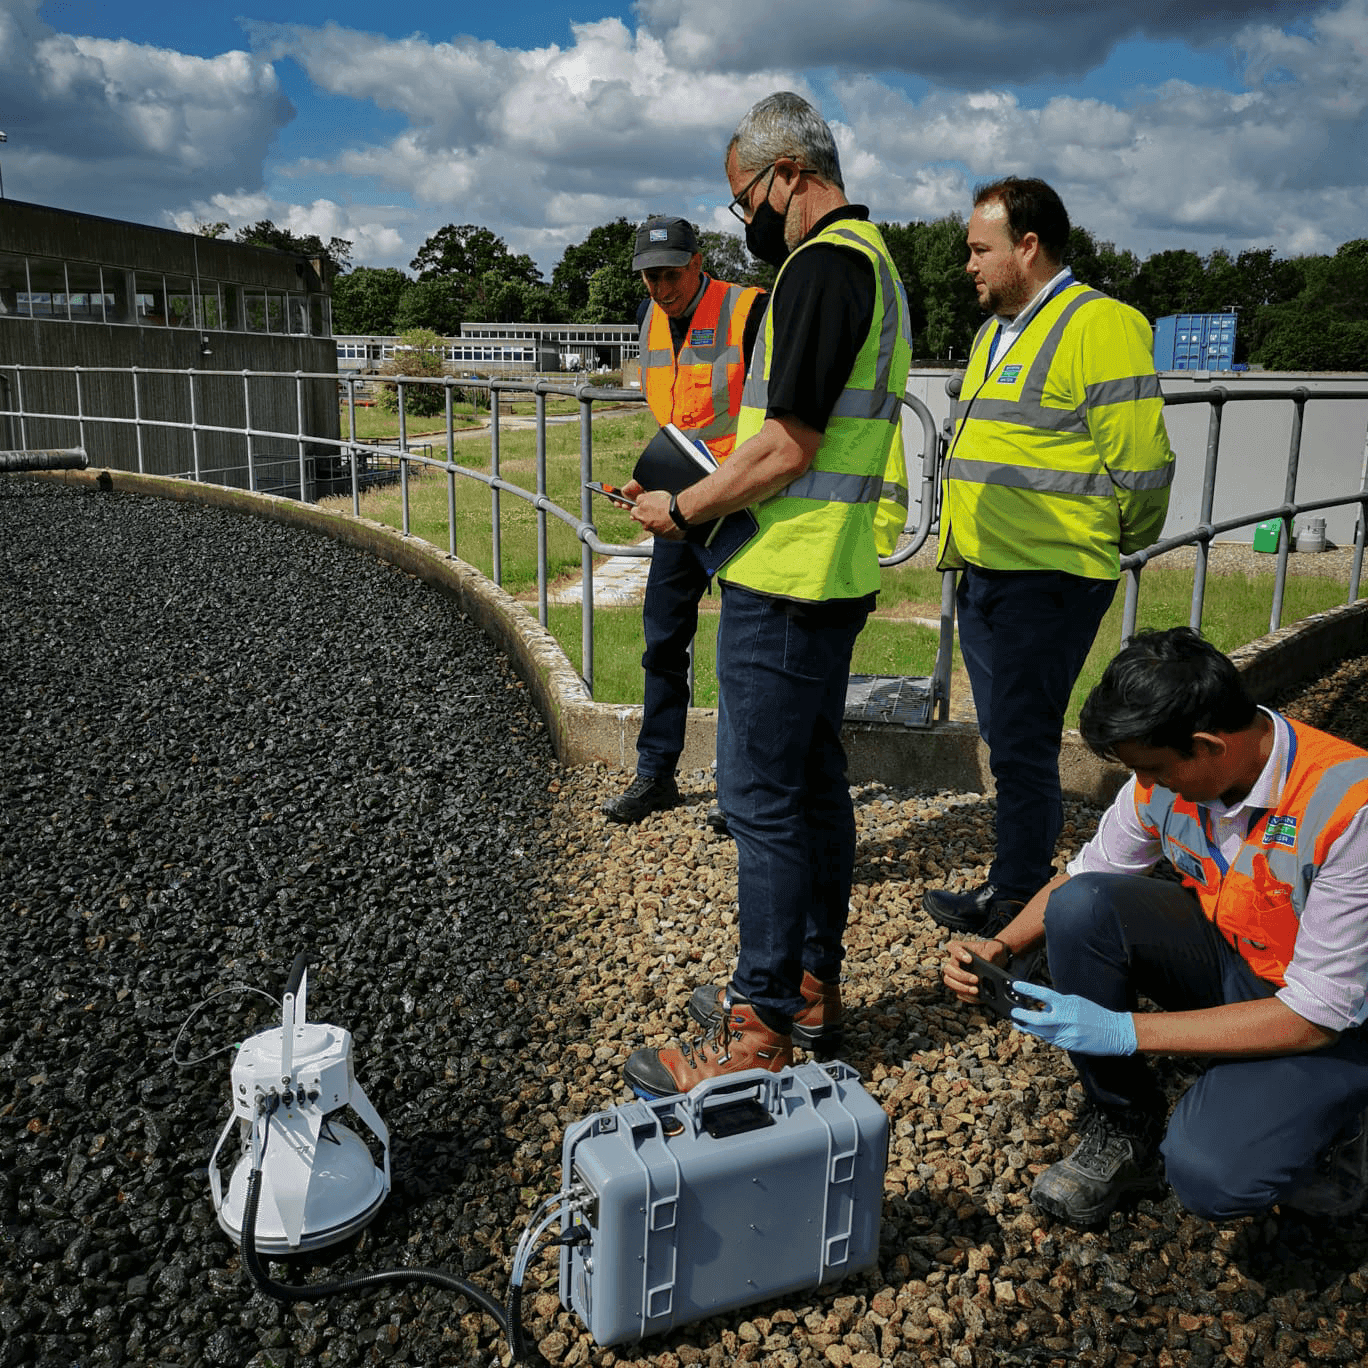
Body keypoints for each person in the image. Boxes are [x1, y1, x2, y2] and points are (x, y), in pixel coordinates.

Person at [619, 91, 912, 1097]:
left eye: (743, 195)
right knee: (812, 787)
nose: (743, 216)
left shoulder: (825, 266)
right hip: (820, 569)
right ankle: (806, 985)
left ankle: (757, 1030)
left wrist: (685, 510)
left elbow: (788, 445)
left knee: (760, 802)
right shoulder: (869, 264)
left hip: (786, 572)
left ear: (790, 175)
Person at [942, 628, 1368, 1227]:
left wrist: (1123, 1029)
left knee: (1212, 1174)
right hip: (1240, 964)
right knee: (1082, 906)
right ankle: (1124, 1126)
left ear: (1207, 745)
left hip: (1332, 1024)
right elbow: (1086, 875)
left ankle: (1339, 1126)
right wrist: (1002, 943)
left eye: (1154, 769)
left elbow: (1315, 1015)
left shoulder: (1351, 807)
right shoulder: (1166, 780)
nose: (1145, 784)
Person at [923, 177, 1175, 940]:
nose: (968, 263)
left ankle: (1019, 908)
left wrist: (1114, 540)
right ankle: (1018, 885)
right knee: (1008, 738)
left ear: (1027, 246)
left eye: (979, 248)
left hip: (1051, 575)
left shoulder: (1099, 323)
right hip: (988, 568)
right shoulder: (997, 327)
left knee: (1024, 743)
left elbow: (1143, 461)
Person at [601, 216, 764, 829]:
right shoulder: (650, 321)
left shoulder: (750, 310)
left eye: (671, 273)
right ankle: (656, 773)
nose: (661, 287)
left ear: (699, 262)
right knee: (663, 640)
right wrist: (656, 479)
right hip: (676, 507)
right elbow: (678, 418)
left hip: (741, 504)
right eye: (650, 276)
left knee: (743, 654)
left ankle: (740, 791)